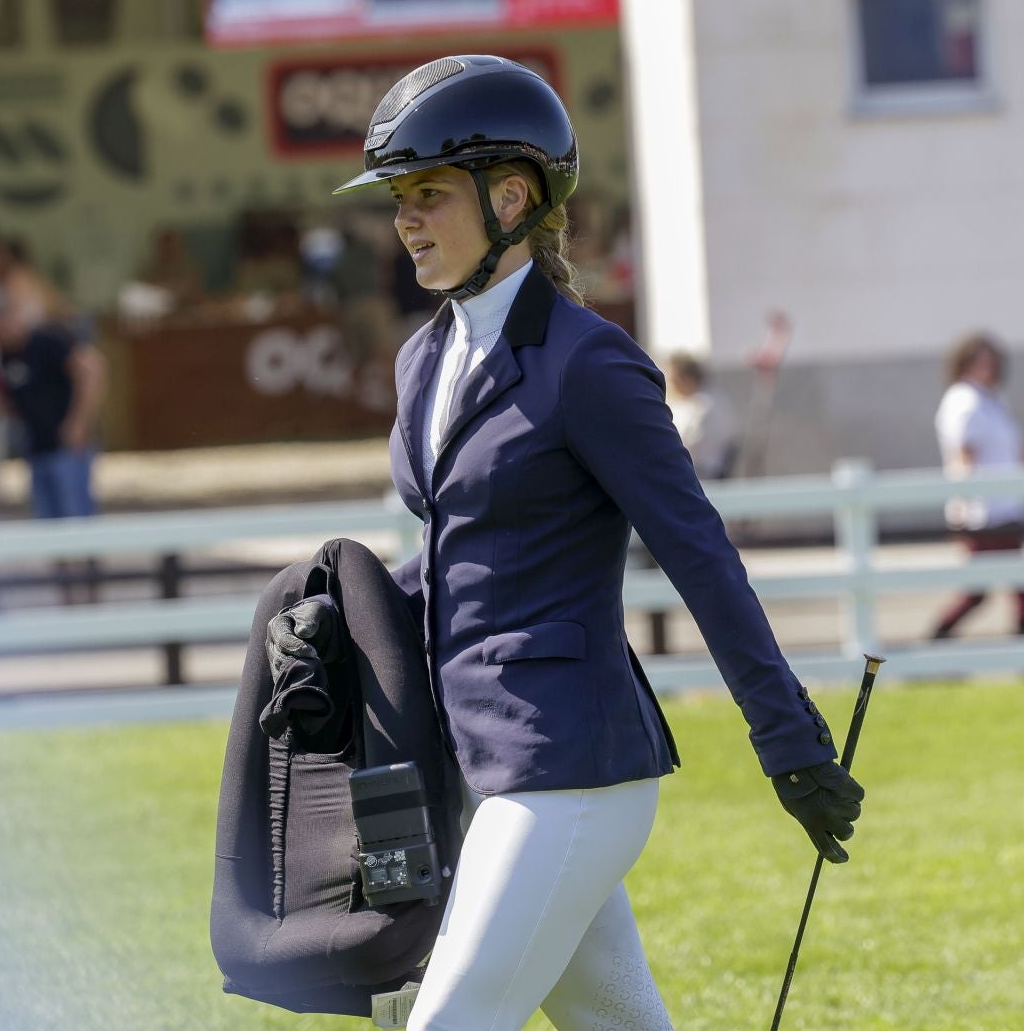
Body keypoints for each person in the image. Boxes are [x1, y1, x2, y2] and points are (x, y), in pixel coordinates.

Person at [307, 54, 864, 1029]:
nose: (405, 219)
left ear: (511, 195)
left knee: (444, 1022)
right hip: (469, 757)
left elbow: (700, 553)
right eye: (399, 197)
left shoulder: (590, 364)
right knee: (618, 1020)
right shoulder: (423, 357)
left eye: (429, 193)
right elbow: (458, 552)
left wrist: (791, 741)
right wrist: (344, 611)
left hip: (570, 764)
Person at [930, 330, 1024, 639]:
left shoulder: (992, 400)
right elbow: (963, 454)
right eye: (979, 360)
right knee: (979, 592)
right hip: (984, 512)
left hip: (1008, 506)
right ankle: (936, 641)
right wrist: (963, 506)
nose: (987, 366)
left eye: (991, 360)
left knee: (1021, 586)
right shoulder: (962, 401)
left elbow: (1014, 447)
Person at [0, 298, 106, 522]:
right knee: (47, 519)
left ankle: (82, 557)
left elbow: (92, 370)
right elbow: (16, 401)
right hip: (37, 446)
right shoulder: (6, 356)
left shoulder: (46, 341)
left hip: (66, 444)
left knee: (76, 514)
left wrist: (79, 422)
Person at [663, 352, 740, 482]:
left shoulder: (706, 404)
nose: (670, 385)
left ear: (686, 379)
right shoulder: (680, 403)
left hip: (704, 475)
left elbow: (690, 442)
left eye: (673, 380)